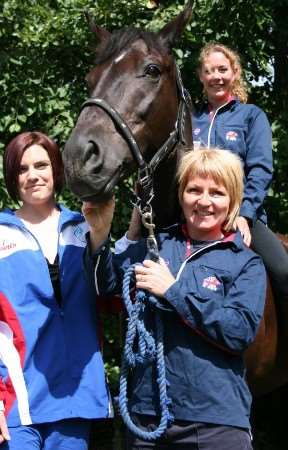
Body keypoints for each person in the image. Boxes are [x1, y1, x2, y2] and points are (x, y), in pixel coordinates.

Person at [84, 147, 266, 449]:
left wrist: (172, 291)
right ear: (181, 195)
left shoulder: (245, 263)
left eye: (217, 193)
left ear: (232, 200)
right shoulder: (155, 246)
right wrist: (100, 234)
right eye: (194, 189)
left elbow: (238, 332)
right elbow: (106, 287)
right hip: (147, 420)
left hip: (215, 423)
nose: (204, 201)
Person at [0, 131, 112, 449]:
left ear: (56, 170)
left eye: (41, 165)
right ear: (12, 177)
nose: (33, 175)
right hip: (16, 400)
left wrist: (102, 235)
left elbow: (110, 289)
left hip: (74, 399)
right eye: (22, 169)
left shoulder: (83, 226)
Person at [192, 41, 288, 301]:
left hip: (240, 214)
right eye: (209, 71)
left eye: (222, 69)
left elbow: (261, 169)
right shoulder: (191, 119)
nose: (216, 77)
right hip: (194, 212)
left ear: (234, 72)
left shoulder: (251, 116)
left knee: (284, 272)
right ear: (201, 76)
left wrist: (245, 214)